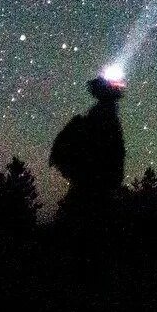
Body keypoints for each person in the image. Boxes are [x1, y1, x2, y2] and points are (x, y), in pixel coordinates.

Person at [49, 76, 125, 221]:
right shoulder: (102, 116)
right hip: (94, 183)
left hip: (91, 182)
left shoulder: (100, 114)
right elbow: (110, 151)